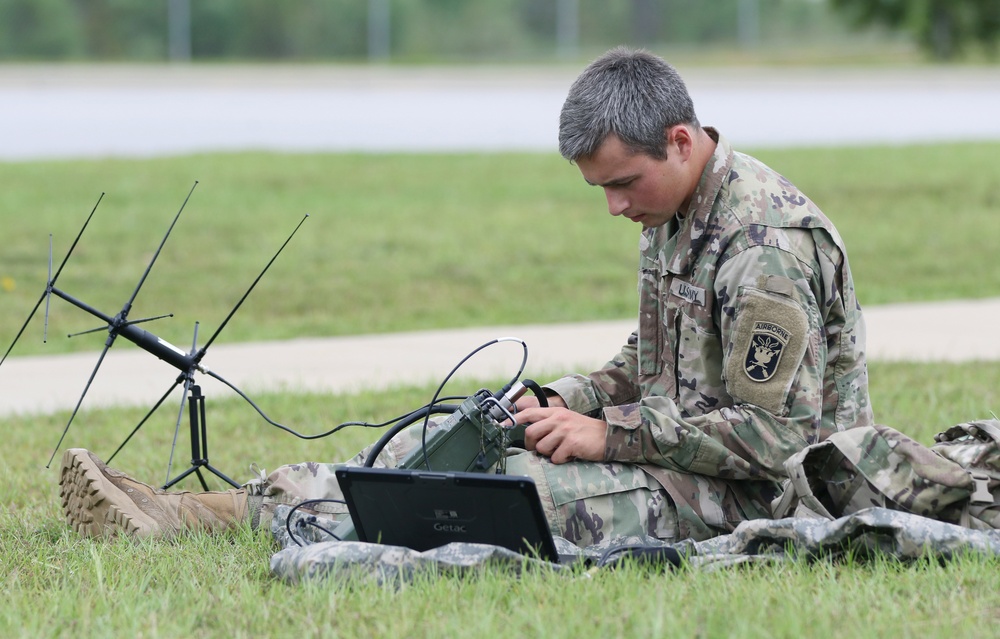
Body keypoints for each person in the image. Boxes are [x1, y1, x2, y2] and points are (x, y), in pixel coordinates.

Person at [59, 47, 873, 546]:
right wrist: (568, 397)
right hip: (682, 461)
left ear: (683, 141)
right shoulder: (675, 208)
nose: (615, 206)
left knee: (503, 502)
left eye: (623, 182)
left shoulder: (766, 247)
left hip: (764, 496)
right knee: (460, 446)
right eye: (601, 188)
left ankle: (204, 517)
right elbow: (653, 362)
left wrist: (606, 435)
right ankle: (211, 504)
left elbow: (775, 439)